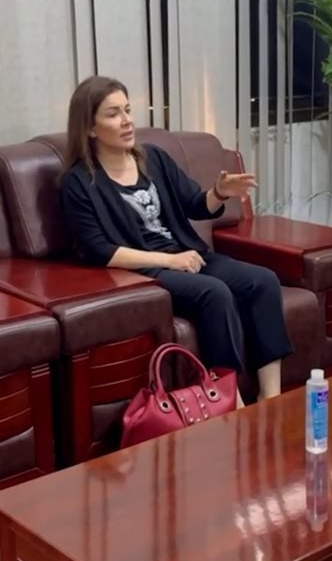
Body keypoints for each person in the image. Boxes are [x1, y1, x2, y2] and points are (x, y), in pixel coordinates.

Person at [60, 76, 292, 402]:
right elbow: (99, 250)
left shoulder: (153, 159)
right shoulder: (79, 183)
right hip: (144, 271)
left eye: (128, 110)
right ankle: (231, 402)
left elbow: (195, 204)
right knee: (214, 293)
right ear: (90, 128)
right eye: (113, 114)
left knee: (263, 281)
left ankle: (271, 397)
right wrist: (169, 260)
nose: (127, 121)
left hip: (187, 255)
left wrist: (219, 192)